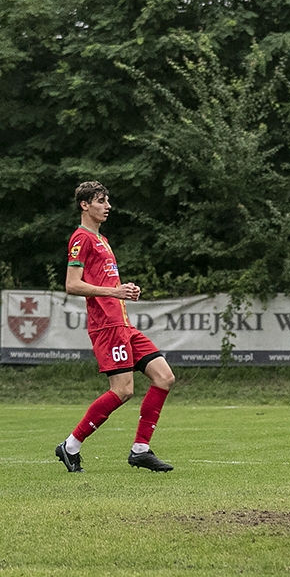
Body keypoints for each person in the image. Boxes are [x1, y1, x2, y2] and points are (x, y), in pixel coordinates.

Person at [55, 181, 176, 473]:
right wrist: (114, 292)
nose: (107, 206)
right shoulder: (81, 238)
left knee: (164, 377)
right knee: (122, 390)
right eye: (100, 201)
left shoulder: (102, 239)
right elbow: (71, 285)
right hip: (106, 326)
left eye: (107, 200)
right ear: (84, 205)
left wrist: (125, 291)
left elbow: (107, 283)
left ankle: (140, 450)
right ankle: (70, 446)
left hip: (122, 323)